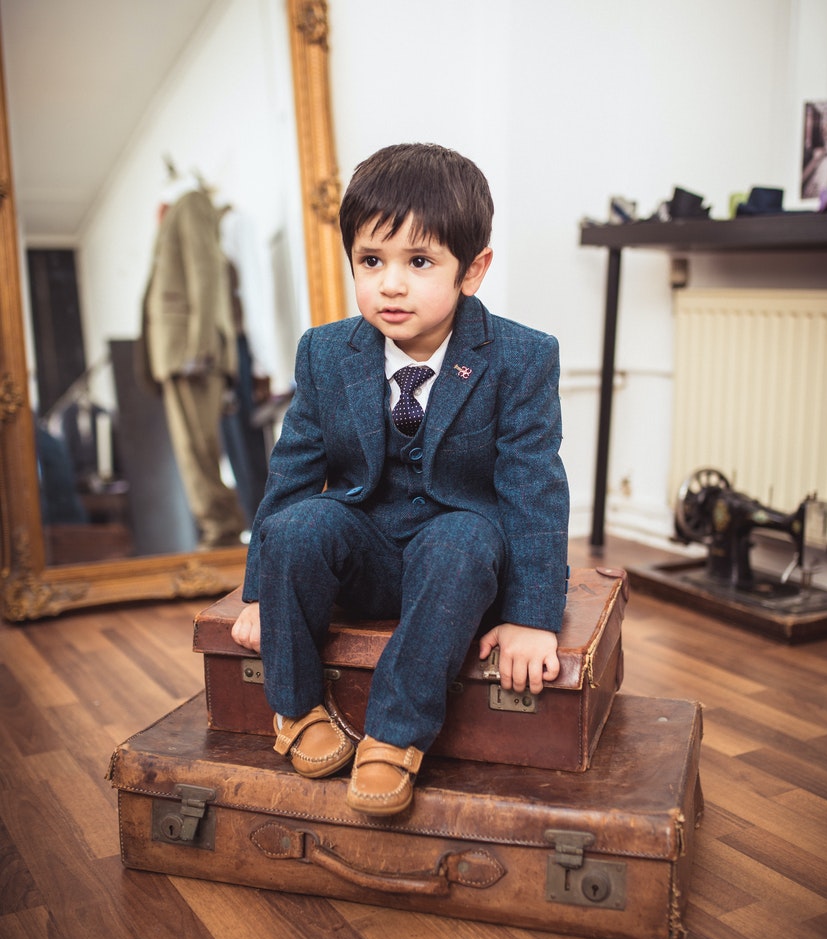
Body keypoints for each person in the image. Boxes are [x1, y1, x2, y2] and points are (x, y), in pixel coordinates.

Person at [231, 143, 569, 816]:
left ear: (471, 270)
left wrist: (532, 619)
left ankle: (393, 735)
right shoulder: (326, 351)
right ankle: (295, 711)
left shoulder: (521, 356)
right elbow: (293, 472)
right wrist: (258, 592)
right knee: (297, 526)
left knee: (464, 540)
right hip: (364, 548)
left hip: (454, 559)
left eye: (419, 263)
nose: (390, 284)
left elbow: (534, 487)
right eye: (371, 261)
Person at [138, 178, 246, 550]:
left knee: (198, 449)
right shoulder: (182, 207)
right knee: (193, 451)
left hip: (190, 352)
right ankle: (219, 528)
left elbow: (205, 273)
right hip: (179, 353)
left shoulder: (192, 202)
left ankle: (223, 531)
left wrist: (199, 347)